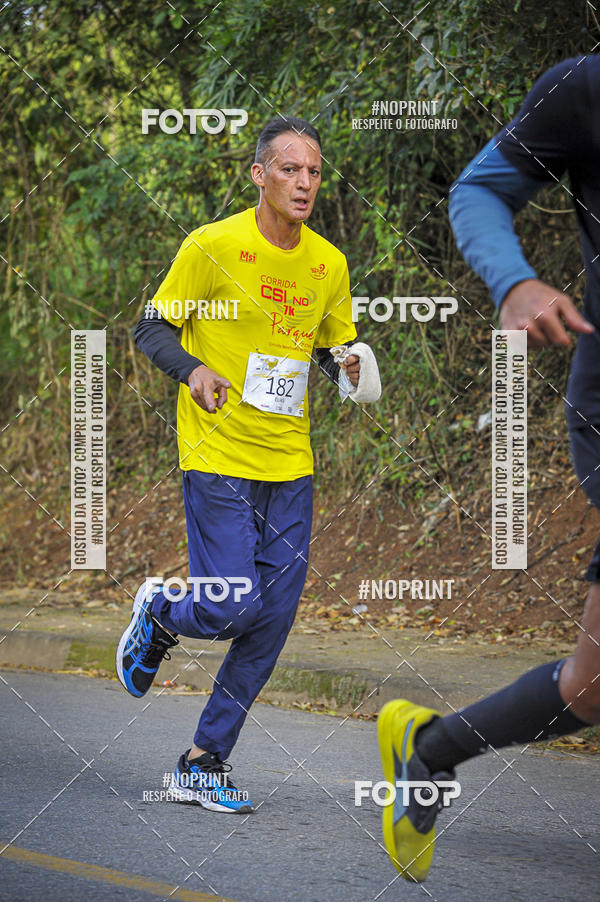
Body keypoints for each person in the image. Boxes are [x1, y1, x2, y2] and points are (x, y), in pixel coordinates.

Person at [114, 116, 379, 814]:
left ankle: (203, 762)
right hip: (217, 452)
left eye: (314, 172)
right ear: (259, 174)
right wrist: (194, 368)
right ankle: (162, 610)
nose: (304, 183)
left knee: (270, 620)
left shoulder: (328, 263)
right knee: (234, 605)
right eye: (289, 169)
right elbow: (150, 326)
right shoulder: (212, 246)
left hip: (290, 461)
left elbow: (331, 347)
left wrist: (348, 365)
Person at [377, 55, 600, 881]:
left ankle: (430, 748)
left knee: (590, 688)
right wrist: (512, 282)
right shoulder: (585, 88)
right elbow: (476, 190)